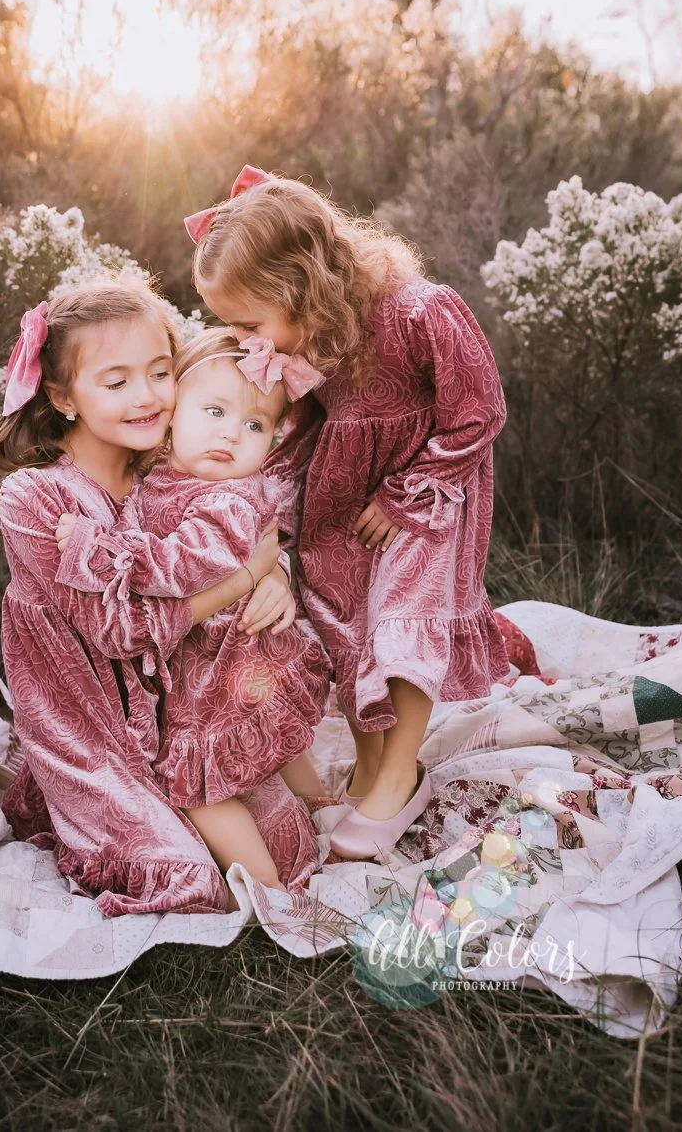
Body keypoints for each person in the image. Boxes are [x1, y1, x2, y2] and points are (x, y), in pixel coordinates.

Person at [182, 165, 510, 860]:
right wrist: (266, 521)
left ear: (297, 283)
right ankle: (367, 767)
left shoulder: (422, 311)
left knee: (401, 616)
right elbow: (300, 431)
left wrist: (405, 494)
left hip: (425, 496)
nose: (251, 342)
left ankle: (401, 775)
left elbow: (478, 413)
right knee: (342, 618)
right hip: (342, 496)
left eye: (249, 322)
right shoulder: (308, 339)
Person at [0, 276, 313, 915]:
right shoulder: (36, 499)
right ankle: (55, 794)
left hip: (174, 708)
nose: (147, 398)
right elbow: (119, 633)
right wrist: (249, 575)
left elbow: (237, 532)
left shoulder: (168, 466)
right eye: (117, 382)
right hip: (89, 722)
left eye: (160, 373)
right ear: (63, 395)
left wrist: (274, 579)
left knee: (290, 843)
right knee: (192, 880)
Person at [52, 326, 332, 891]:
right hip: (225, 668)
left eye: (254, 426)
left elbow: (176, 567)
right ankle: (324, 804)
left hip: (218, 674)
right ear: (175, 412)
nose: (230, 434)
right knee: (271, 741)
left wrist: (94, 549)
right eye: (214, 411)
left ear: (271, 442)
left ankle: (268, 890)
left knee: (201, 788)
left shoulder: (225, 499)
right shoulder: (163, 476)